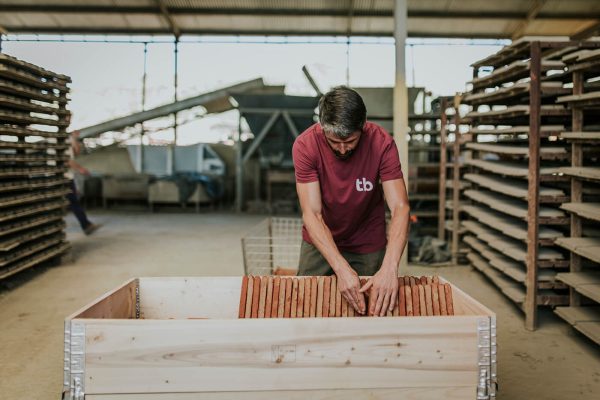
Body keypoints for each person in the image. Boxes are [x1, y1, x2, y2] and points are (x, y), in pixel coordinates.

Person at [292, 86, 410, 317]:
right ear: (322, 126)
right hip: (321, 237)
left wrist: (389, 268)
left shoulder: (382, 144)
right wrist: (340, 267)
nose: (343, 149)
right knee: (305, 305)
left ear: (363, 126)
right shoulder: (305, 146)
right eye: (335, 141)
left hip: (367, 239)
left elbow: (400, 207)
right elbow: (312, 214)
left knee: (373, 309)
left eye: (351, 141)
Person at [65, 130, 101, 235]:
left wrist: (74, 139)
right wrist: (80, 169)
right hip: (62, 178)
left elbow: (75, 153)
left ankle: (86, 225)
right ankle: (86, 225)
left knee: (74, 202)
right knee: (73, 202)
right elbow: (67, 159)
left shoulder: (69, 139)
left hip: (65, 177)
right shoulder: (62, 139)